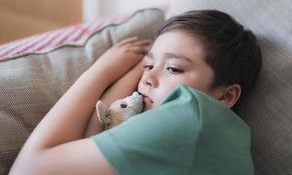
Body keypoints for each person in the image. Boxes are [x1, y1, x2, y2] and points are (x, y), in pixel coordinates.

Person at [9, 10, 262, 175]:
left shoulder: (189, 116)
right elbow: (89, 143)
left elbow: (27, 170)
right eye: (148, 65)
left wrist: (100, 73)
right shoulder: (212, 136)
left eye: (173, 68)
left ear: (226, 96)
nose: (148, 78)